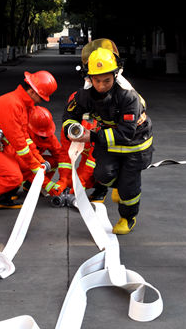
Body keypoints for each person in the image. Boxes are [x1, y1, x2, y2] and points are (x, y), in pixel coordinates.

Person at [62, 38, 153, 235]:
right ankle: (119, 183)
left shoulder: (129, 97)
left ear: (115, 75)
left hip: (135, 144)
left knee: (129, 188)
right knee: (102, 175)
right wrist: (72, 130)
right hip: (108, 141)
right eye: (97, 80)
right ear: (89, 78)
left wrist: (91, 137)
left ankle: (128, 217)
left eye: (107, 80)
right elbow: (69, 116)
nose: (101, 86)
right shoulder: (84, 95)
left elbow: (126, 133)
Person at [0, 70, 57, 220]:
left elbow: (25, 137)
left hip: (0, 148)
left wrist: (38, 159)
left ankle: (4, 200)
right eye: (41, 97)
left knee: (24, 166)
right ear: (32, 91)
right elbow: (19, 143)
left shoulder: (21, 105)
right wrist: (35, 165)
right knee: (14, 176)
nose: (40, 101)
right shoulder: (13, 104)